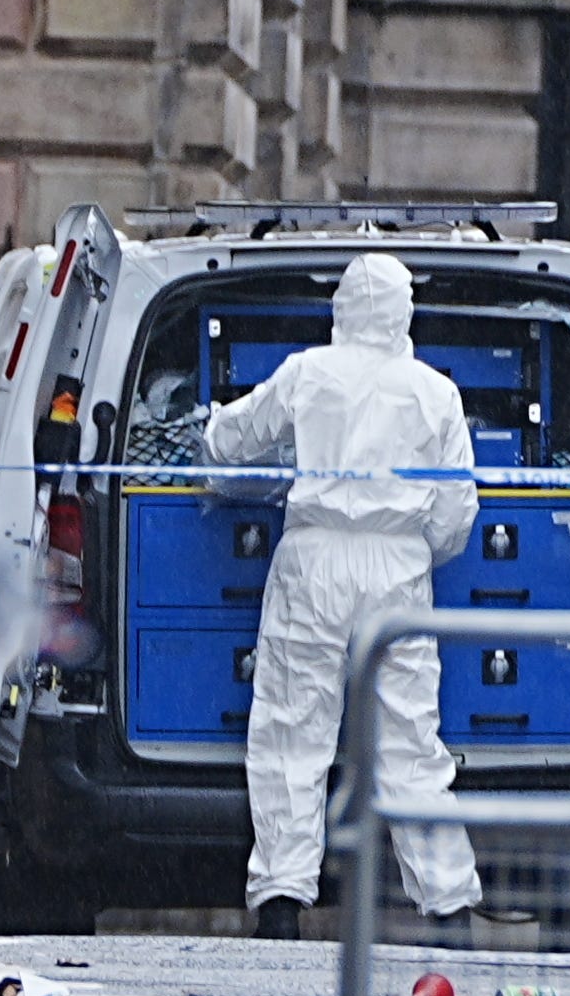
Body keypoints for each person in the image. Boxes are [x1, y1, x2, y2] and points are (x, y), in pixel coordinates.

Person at [206, 253, 492, 939]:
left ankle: (281, 903)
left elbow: (231, 441)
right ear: (403, 313)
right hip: (398, 569)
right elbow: (457, 508)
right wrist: (420, 552)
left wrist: (209, 426)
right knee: (410, 743)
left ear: (341, 309)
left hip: (314, 561)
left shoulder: (308, 372)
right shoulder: (434, 392)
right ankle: (449, 906)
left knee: (292, 731)